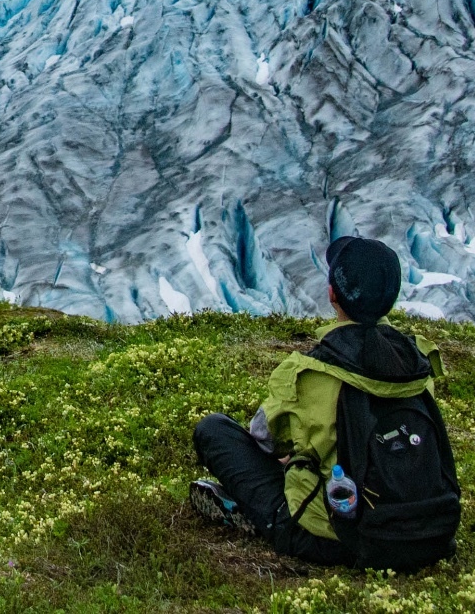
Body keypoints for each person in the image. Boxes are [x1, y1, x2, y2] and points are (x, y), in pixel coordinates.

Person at [189, 236, 460, 572]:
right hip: (431, 529)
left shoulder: (310, 373)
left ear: (332, 293)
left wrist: (294, 457)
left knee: (213, 430)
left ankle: (253, 515)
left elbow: (264, 439)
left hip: (340, 538)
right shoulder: (419, 361)